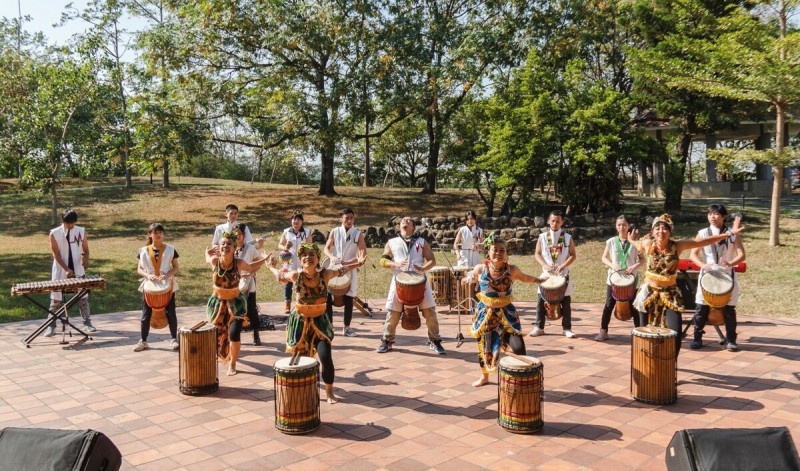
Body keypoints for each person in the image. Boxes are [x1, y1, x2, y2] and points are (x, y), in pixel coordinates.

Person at [632, 213, 745, 356]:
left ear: (671, 230)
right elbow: (636, 244)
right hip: (648, 294)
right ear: (653, 231)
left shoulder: (678, 246)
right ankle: (649, 367)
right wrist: (630, 239)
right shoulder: (648, 244)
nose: (661, 232)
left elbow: (701, 242)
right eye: (658, 229)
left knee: (676, 333)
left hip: (669, 294)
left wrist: (728, 234)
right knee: (645, 332)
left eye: (665, 228)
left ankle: (670, 365)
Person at [268, 242, 365, 404]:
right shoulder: (295, 275)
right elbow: (280, 276)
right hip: (300, 322)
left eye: (312, 254)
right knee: (299, 359)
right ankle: (302, 388)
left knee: (326, 356)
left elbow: (343, 270)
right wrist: (269, 267)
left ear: (318, 258)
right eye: (304, 255)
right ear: (300, 259)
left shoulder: (325, 274)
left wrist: (358, 263)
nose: (308, 257)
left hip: (320, 321)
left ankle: (329, 391)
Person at [468, 234, 547, 387]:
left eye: (502, 250)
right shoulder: (480, 269)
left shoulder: (512, 270)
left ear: (506, 253)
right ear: (488, 252)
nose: (498, 253)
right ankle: (484, 377)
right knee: (486, 348)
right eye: (494, 250)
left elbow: (525, 278)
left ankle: (519, 378)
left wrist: (540, 281)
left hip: (507, 315)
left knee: (518, 347)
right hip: (486, 315)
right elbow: (470, 279)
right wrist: (466, 279)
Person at [376, 216, 446, 355]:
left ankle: (435, 340)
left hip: (420, 281)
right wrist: (395, 264)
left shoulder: (421, 242)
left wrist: (423, 268)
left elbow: (432, 260)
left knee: (430, 313)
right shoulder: (392, 242)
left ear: (413, 227)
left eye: (409, 220)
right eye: (403, 220)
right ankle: (387, 340)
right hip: (398, 281)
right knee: (392, 313)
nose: (405, 220)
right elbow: (382, 261)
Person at [204, 230, 270, 376]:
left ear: (234, 248)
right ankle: (221, 354)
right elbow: (207, 257)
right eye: (223, 244)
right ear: (219, 247)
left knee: (234, 334)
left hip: (236, 304)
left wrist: (265, 259)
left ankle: (232, 364)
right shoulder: (215, 261)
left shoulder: (238, 263)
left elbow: (252, 267)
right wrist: (207, 252)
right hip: (217, 304)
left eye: (229, 244)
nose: (225, 246)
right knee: (217, 333)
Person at [689, 205, 745, 351]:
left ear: (724, 216)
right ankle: (697, 337)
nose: (712, 217)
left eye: (716, 214)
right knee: (701, 307)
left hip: (726, 275)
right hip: (708, 274)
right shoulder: (702, 233)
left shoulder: (732, 234)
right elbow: (693, 254)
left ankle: (731, 339)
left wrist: (730, 263)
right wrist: (703, 265)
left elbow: (741, 255)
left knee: (729, 309)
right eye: (710, 214)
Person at [47, 209, 95, 336]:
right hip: (60, 269)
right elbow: (56, 255)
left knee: (82, 296)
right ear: (63, 221)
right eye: (68, 223)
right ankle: (50, 325)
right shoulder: (54, 234)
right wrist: (66, 269)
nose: (71, 226)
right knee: (56, 297)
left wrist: (85, 260)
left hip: (78, 269)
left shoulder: (81, 231)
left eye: (73, 223)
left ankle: (87, 323)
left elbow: (86, 250)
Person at [530, 210, 577, 338]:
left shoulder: (567, 238)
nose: (555, 223)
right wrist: (544, 265)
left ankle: (567, 328)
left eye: (558, 221)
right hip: (547, 273)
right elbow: (537, 253)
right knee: (540, 301)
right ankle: (539, 327)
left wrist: (563, 266)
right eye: (553, 221)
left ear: (562, 222)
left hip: (563, 274)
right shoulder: (542, 237)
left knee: (566, 302)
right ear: (548, 221)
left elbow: (573, 255)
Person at [596, 215, 645, 341]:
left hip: (631, 278)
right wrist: (612, 265)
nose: (621, 227)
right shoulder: (611, 241)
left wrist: (634, 266)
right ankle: (603, 331)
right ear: (616, 226)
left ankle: (638, 332)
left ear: (628, 226)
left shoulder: (635, 242)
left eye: (624, 225)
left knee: (634, 305)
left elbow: (643, 259)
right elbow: (604, 258)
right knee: (609, 304)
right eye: (619, 225)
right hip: (614, 279)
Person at [134, 223, 180, 352]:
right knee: (145, 315)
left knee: (171, 313)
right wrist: (148, 275)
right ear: (150, 234)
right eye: (155, 232)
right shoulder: (143, 250)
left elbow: (176, 267)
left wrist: (167, 275)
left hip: (167, 286)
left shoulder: (170, 249)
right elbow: (139, 269)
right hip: (149, 286)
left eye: (160, 232)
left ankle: (173, 339)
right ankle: (143, 341)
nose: (158, 235)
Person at [324, 208, 367, 337]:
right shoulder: (335, 231)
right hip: (334, 268)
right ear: (341, 219)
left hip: (350, 269)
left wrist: (356, 261)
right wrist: (332, 257)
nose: (349, 220)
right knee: (328, 296)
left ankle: (347, 327)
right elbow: (326, 248)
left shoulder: (358, 234)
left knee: (349, 297)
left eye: (351, 218)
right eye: (346, 218)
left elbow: (363, 253)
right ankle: (329, 326)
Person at [233, 222, 264, 346]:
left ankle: (256, 333)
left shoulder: (250, 249)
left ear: (244, 235)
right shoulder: (230, 248)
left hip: (248, 283)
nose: (237, 237)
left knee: (251, 309)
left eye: (239, 234)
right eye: (235, 234)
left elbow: (258, 265)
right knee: (235, 309)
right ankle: (235, 335)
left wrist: (249, 274)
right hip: (234, 285)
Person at [277, 210, 310, 314]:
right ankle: (287, 304)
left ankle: (302, 302)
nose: (296, 221)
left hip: (302, 261)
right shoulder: (287, 231)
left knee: (303, 281)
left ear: (302, 221)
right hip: (289, 261)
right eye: (294, 219)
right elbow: (280, 245)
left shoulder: (307, 232)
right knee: (288, 282)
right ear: (291, 221)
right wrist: (285, 247)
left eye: (298, 219)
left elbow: (310, 246)